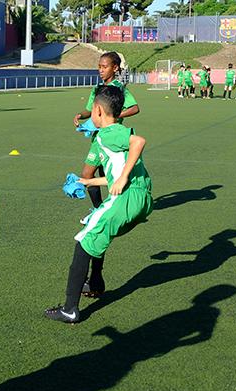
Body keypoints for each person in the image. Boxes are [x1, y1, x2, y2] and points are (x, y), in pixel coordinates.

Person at [46, 85, 152, 323]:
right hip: (138, 197)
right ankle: (94, 282)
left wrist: (123, 177)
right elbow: (114, 175)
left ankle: (70, 308)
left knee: (84, 240)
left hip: (127, 197)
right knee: (95, 230)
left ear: (97, 111)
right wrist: (88, 180)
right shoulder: (107, 136)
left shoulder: (109, 133)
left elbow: (139, 141)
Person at [72, 51, 139, 296]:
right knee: (88, 174)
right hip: (97, 137)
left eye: (104, 66)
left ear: (115, 68)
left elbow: (135, 108)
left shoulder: (119, 89)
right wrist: (83, 115)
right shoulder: (97, 87)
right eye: (99, 66)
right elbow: (93, 110)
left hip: (112, 139)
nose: (100, 70)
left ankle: (101, 208)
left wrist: (114, 115)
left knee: (96, 174)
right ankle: (98, 206)